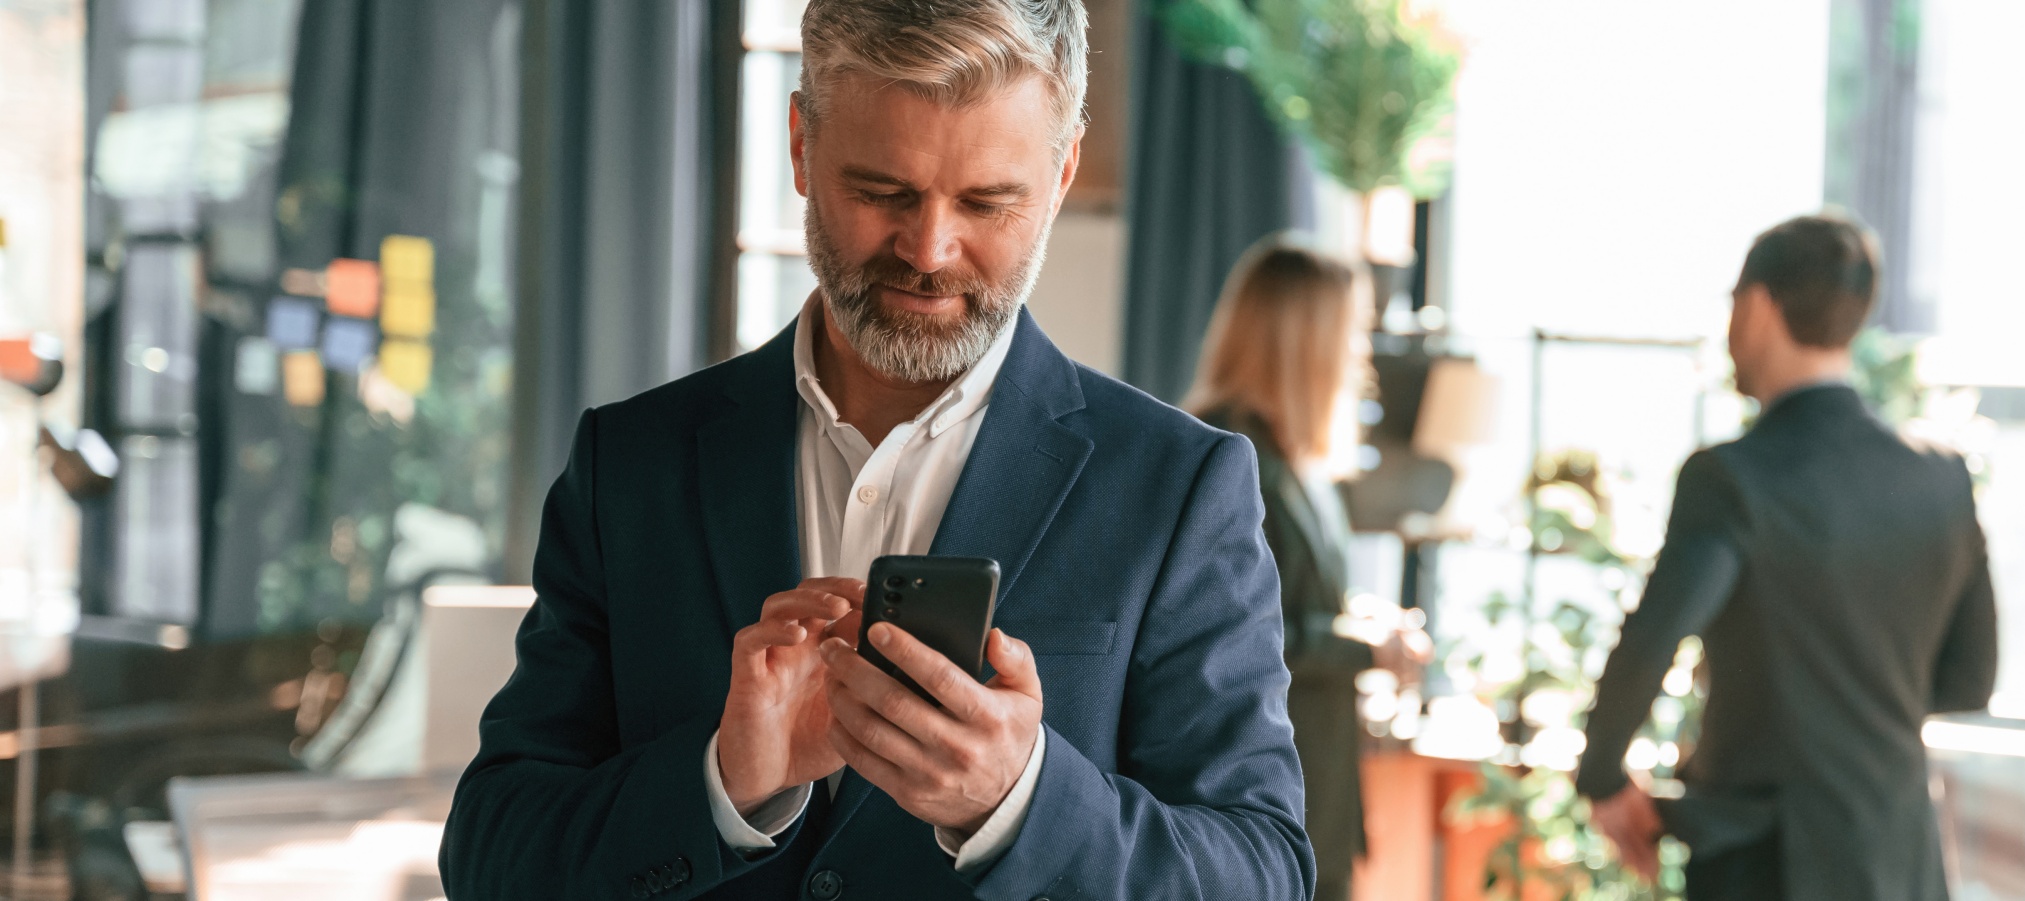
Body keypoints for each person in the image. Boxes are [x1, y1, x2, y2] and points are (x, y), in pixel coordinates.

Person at [437, 2, 1315, 898]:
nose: (928, 250)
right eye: (883, 192)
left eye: (986, 201)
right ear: (799, 146)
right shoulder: (628, 464)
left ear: (1062, 176)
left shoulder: (1181, 489)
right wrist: (722, 781)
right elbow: (491, 860)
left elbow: (1261, 871)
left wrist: (1018, 802)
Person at [1575, 214, 1997, 901]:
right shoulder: (1941, 479)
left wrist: (1602, 776)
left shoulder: (1733, 480)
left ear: (1756, 306)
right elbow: (1970, 679)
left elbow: (1653, 636)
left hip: (1767, 859)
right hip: (1898, 852)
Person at [1185, 238, 1378, 901]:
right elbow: (1230, 640)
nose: (1360, 355)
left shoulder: (1297, 464)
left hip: (1313, 783)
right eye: (1350, 334)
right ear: (1307, 341)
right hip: (1254, 786)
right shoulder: (1228, 457)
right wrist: (1364, 646)